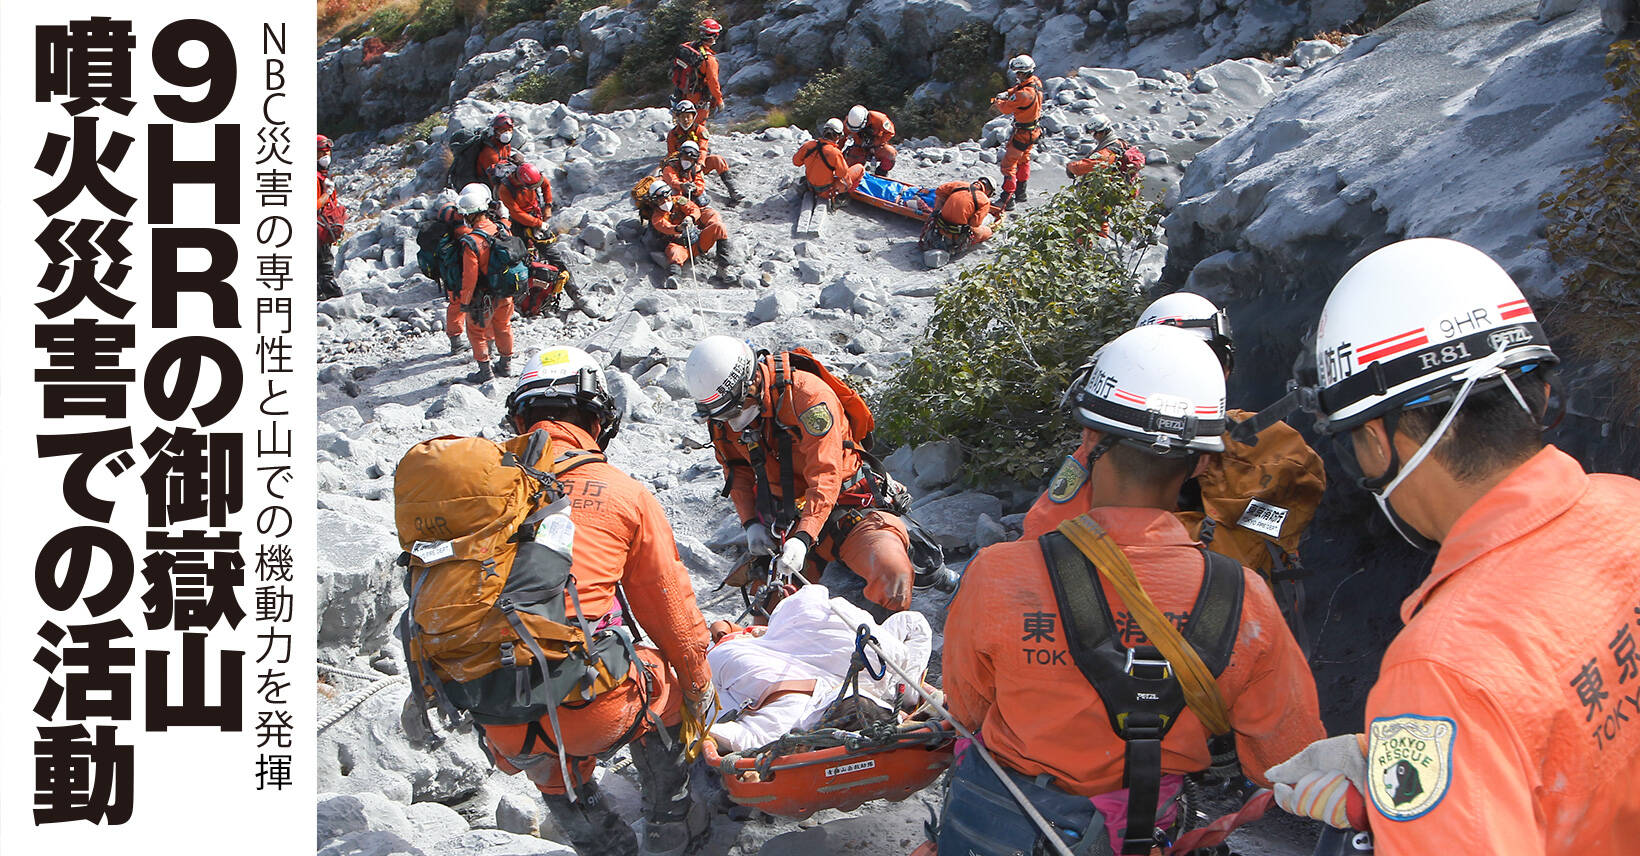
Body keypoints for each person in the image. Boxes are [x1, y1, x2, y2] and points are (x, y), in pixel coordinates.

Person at [1263, 238, 1640, 855]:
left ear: (1377, 444)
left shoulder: (1441, 668)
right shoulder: (1627, 504)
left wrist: (1404, 791)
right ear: (1541, 394)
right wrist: (1394, 761)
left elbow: (1490, 692)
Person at [940, 324, 1324, 856]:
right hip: (1144, 835)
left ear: (1091, 440)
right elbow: (1288, 761)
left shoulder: (999, 574)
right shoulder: (1245, 598)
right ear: (1204, 460)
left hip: (1005, 828)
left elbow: (967, 710)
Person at [481, 345, 714, 856]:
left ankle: (601, 842)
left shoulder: (475, 489)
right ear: (598, 418)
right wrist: (698, 689)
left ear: (520, 416)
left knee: (544, 723)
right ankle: (669, 823)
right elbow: (671, 615)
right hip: (590, 712)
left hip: (499, 719)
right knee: (666, 683)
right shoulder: (620, 491)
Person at [1023, 293, 1327, 589]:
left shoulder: (1104, 451)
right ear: (1225, 371)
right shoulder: (1275, 447)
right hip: (1247, 620)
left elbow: (1040, 546)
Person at [685, 336, 955, 619]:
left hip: (850, 508)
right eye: (721, 415)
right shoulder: (722, 417)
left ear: (750, 383)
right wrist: (751, 522)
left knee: (892, 574)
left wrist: (803, 537)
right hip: (788, 518)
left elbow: (826, 475)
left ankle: (878, 649)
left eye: (732, 411)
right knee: (768, 612)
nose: (729, 421)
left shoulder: (807, 398)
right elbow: (737, 470)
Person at [453, 183, 516, 383]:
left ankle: (485, 372)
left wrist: (464, 302)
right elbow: (506, 219)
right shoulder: (503, 229)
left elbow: (470, 278)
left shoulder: (470, 241)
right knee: (504, 325)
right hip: (505, 291)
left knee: (476, 332)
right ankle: (505, 365)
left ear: (469, 215)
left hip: (484, 296)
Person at [646, 181, 731, 288]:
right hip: (681, 246)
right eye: (661, 200)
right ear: (655, 202)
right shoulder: (657, 217)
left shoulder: (679, 200)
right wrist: (678, 228)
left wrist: (690, 218)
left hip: (698, 240)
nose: (665, 202)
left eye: (666, 198)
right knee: (674, 252)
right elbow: (665, 227)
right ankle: (674, 277)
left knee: (719, 227)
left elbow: (694, 209)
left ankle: (723, 268)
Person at [992, 54, 1043, 211]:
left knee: (1008, 165)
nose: (1016, 76)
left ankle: (1007, 198)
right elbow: (1017, 90)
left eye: (1017, 73)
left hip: (1021, 132)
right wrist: (1008, 93)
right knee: (1023, 160)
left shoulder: (1022, 95)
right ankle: (1021, 193)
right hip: (1033, 131)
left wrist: (997, 100)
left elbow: (1006, 108)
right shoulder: (1035, 82)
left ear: (1021, 73)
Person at [665, 104, 742, 204]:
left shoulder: (700, 130)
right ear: (678, 118)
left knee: (717, 160)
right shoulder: (672, 134)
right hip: (681, 168)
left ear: (694, 116)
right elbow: (671, 154)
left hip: (698, 165)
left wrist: (699, 164)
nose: (685, 120)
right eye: (682, 116)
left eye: (688, 116)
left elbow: (703, 149)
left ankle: (733, 190)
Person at [918, 177, 998, 257]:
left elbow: (939, 191)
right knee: (987, 232)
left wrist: (941, 207)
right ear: (989, 191)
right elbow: (974, 223)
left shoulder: (959, 185)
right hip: (956, 237)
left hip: (938, 227)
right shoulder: (984, 201)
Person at [792, 118, 864, 204]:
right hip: (826, 192)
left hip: (810, 186)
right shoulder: (835, 153)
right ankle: (845, 196)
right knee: (860, 168)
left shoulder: (808, 145)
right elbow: (842, 174)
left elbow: (796, 162)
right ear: (838, 136)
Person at [1066, 115, 1145, 192]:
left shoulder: (1108, 151)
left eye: (1093, 133)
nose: (1093, 136)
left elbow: (1089, 166)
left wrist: (1071, 167)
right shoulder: (1120, 143)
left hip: (1111, 195)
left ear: (1100, 132)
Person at [671, 19, 724, 122]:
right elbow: (713, 82)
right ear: (714, 36)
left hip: (681, 93)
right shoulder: (709, 60)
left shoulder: (688, 48)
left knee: (682, 124)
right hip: (698, 99)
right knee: (697, 126)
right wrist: (719, 100)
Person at [317, 134, 345, 300]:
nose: (326, 156)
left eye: (328, 152)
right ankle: (327, 292)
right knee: (323, 264)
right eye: (321, 153)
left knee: (323, 261)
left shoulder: (323, 176)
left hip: (323, 229)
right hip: (317, 229)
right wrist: (326, 194)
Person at [842, 104, 897, 177]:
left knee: (890, 153)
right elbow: (842, 138)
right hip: (859, 147)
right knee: (850, 163)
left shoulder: (879, 118)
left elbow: (890, 132)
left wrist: (876, 142)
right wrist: (836, 154)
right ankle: (853, 176)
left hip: (876, 146)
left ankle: (881, 173)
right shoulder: (848, 122)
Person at [477, 112, 525, 189]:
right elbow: (494, 181)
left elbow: (507, 159)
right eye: (503, 130)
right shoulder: (489, 154)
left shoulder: (505, 145)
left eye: (509, 130)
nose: (507, 133)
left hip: (501, 170)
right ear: (495, 132)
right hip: (487, 182)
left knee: (519, 158)